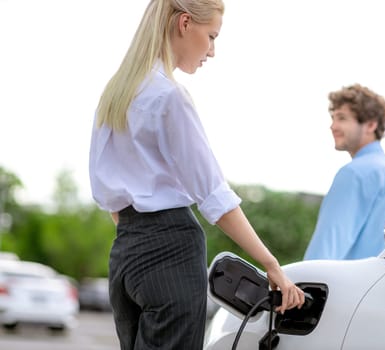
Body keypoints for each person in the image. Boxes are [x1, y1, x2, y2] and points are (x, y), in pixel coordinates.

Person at [88, 1, 304, 349]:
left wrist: (138, 237)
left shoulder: (113, 96)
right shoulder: (169, 96)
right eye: (212, 36)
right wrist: (271, 264)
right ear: (185, 23)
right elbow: (215, 197)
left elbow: (108, 196)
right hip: (170, 250)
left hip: (124, 253)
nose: (213, 51)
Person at [304, 84, 385, 261]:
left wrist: (301, 283)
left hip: (356, 287)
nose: (333, 126)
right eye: (333, 118)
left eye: (342, 118)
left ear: (371, 124)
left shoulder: (354, 174)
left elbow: (326, 248)